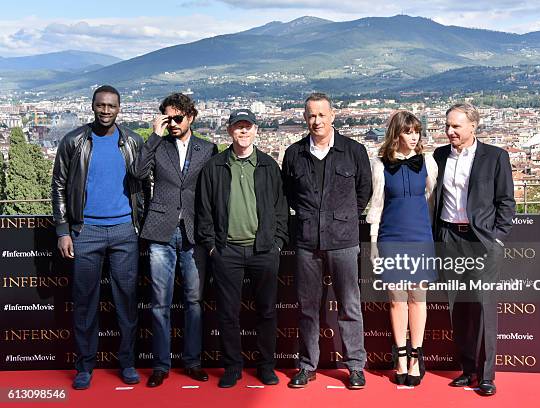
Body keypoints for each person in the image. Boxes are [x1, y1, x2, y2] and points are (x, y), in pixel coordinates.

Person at [51, 85, 144, 390]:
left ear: (120, 108)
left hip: (123, 231)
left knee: (126, 302)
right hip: (85, 231)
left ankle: (128, 363)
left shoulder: (132, 141)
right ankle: (84, 366)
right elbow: (60, 187)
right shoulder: (74, 141)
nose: (106, 110)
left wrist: (139, 224)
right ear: (92, 106)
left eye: (111, 106)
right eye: (101, 105)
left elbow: (144, 184)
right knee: (84, 303)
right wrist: (64, 230)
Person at [282, 92, 372, 390]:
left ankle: (355, 366)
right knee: (307, 307)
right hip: (308, 241)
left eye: (321, 114)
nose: (316, 120)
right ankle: (307, 366)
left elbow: (364, 191)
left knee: (350, 306)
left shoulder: (353, 150)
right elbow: (289, 194)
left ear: (333, 115)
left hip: (344, 240)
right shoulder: (294, 153)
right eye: (311, 115)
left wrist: (344, 217)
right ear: (304, 117)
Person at [196, 108, 288, 388]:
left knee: (267, 312)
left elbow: (281, 207)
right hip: (227, 251)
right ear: (229, 131)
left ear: (256, 130)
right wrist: (213, 247)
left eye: (248, 126)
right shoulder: (215, 166)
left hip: (263, 250)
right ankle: (232, 368)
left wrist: (277, 243)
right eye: (238, 127)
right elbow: (204, 210)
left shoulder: (269, 166)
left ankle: (266, 367)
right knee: (227, 313)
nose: (243, 131)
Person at [131, 93, 217, 387]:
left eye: (178, 118)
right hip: (160, 231)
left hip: (194, 233)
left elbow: (214, 191)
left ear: (191, 117)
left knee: (193, 302)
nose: (173, 124)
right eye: (168, 119)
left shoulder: (208, 149)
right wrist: (154, 135)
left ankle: (193, 362)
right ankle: (160, 365)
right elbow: (138, 171)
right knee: (159, 303)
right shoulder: (158, 145)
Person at [433, 103, 515, 396]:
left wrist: (498, 237)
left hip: (481, 241)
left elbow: (506, 202)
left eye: (455, 126)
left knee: (483, 307)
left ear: (473, 126)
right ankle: (467, 370)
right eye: (447, 126)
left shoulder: (495, 157)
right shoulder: (439, 155)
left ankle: (487, 375)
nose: (449, 131)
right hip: (449, 238)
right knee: (459, 308)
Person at [366, 111, 437, 387]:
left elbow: (430, 200)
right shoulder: (380, 165)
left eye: (416, 131)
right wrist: (373, 244)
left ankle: (417, 357)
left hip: (420, 236)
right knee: (396, 299)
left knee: (418, 298)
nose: (414, 136)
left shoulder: (428, 163)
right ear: (396, 134)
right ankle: (401, 358)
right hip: (390, 237)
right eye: (408, 131)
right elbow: (377, 206)